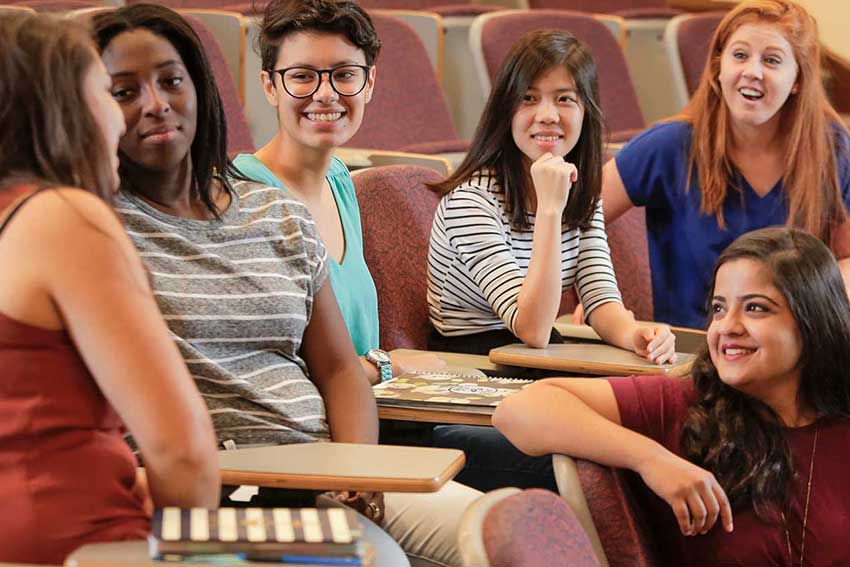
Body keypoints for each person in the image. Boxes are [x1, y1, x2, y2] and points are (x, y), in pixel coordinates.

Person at [92, 5, 480, 567]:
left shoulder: (275, 212)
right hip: (213, 492)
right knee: (377, 560)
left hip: (321, 470)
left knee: (500, 527)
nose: (156, 103)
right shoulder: (94, 224)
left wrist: (356, 470)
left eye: (172, 81)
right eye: (124, 92)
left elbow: (340, 370)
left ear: (199, 88)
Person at [0, 12, 220, 564]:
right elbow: (184, 452)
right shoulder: (66, 217)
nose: (122, 122)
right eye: (108, 90)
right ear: (64, 104)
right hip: (80, 544)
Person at [494, 226, 850, 566]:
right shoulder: (685, 404)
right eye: (719, 308)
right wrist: (651, 459)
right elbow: (520, 409)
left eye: (756, 308)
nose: (727, 327)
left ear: (813, 321)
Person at [427, 30, 676, 364]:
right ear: (506, 109)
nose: (547, 115)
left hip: (537, 357)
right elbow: (532, 327)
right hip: (470, 365)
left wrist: (638, 336)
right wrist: (549, 209)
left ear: (586, 112)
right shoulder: (471, 202)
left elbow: (600, 301)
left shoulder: (579, 193)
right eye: (529, 98)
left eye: (565, 99)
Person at [601, 0, 850, 329]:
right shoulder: (669, 144)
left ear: (798, 80)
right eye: (740, 55)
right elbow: (574, 219)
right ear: (718, 67)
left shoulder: (830, 146)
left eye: (772, 60)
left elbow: (846, 258)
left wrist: (823, 311)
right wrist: (599, 300)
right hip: (695, 352)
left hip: (794, 350)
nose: (753, 72)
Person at [233, 0, 443, 385]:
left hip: (373, 413)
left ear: (370, 83)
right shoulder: (247, 194)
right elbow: (270, 367)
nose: (326, 93)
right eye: (302, 76)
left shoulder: (340, 180)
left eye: (344, 75)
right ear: (269, 86)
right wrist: (386, 366)